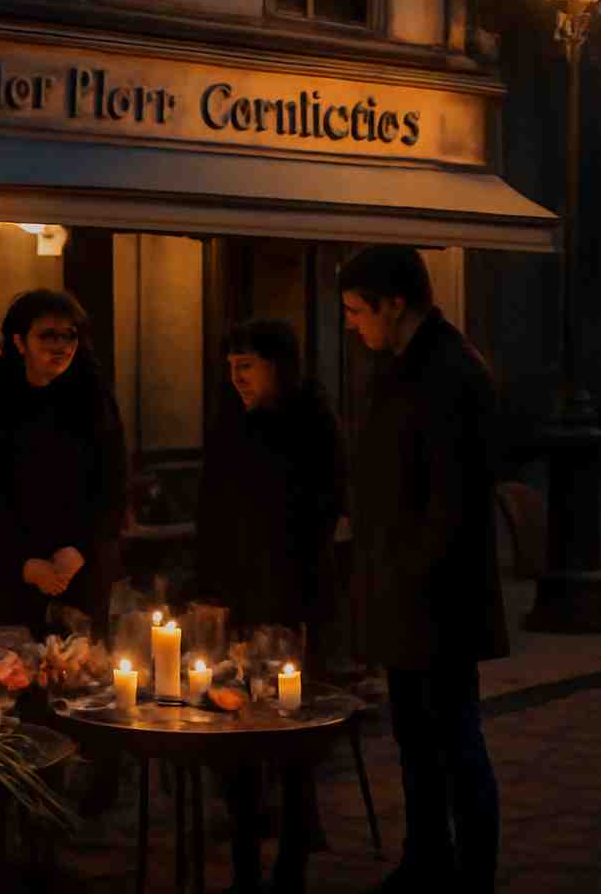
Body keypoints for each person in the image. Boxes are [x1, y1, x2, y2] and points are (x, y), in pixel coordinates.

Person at [340, 246, 505, 893]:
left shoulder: (450, 371)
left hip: (438, 597)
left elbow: (450, 501)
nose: (353, 323)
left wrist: (406, 574)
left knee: (456, 738)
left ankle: (472, 875)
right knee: (416, 737)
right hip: (405, 592)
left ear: (393, 303)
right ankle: (428, 856)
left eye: (358, 310)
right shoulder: (400, 364)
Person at [196, 318, 345, 894]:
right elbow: (213, 503)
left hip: (293, 593)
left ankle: (293, 852)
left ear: (279, 367)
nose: (237, 379)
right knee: (232, 718)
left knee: (289, 724)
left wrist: (295, 598)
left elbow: (323, 507)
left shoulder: (310, 421)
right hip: (237, 594)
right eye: (230, 368)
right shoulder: (231, 421)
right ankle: (243, 847)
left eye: (247, 367)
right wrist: (210, 584)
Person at [0, 288, 128, 641]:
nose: (61, 345)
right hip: (8, 561)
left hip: (80, 563)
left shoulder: (91, 392)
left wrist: (81, 548)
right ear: (19, 342)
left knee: (81, 669)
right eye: (48, 335)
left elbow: (113, 480)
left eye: (70, 336)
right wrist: (22, 562)